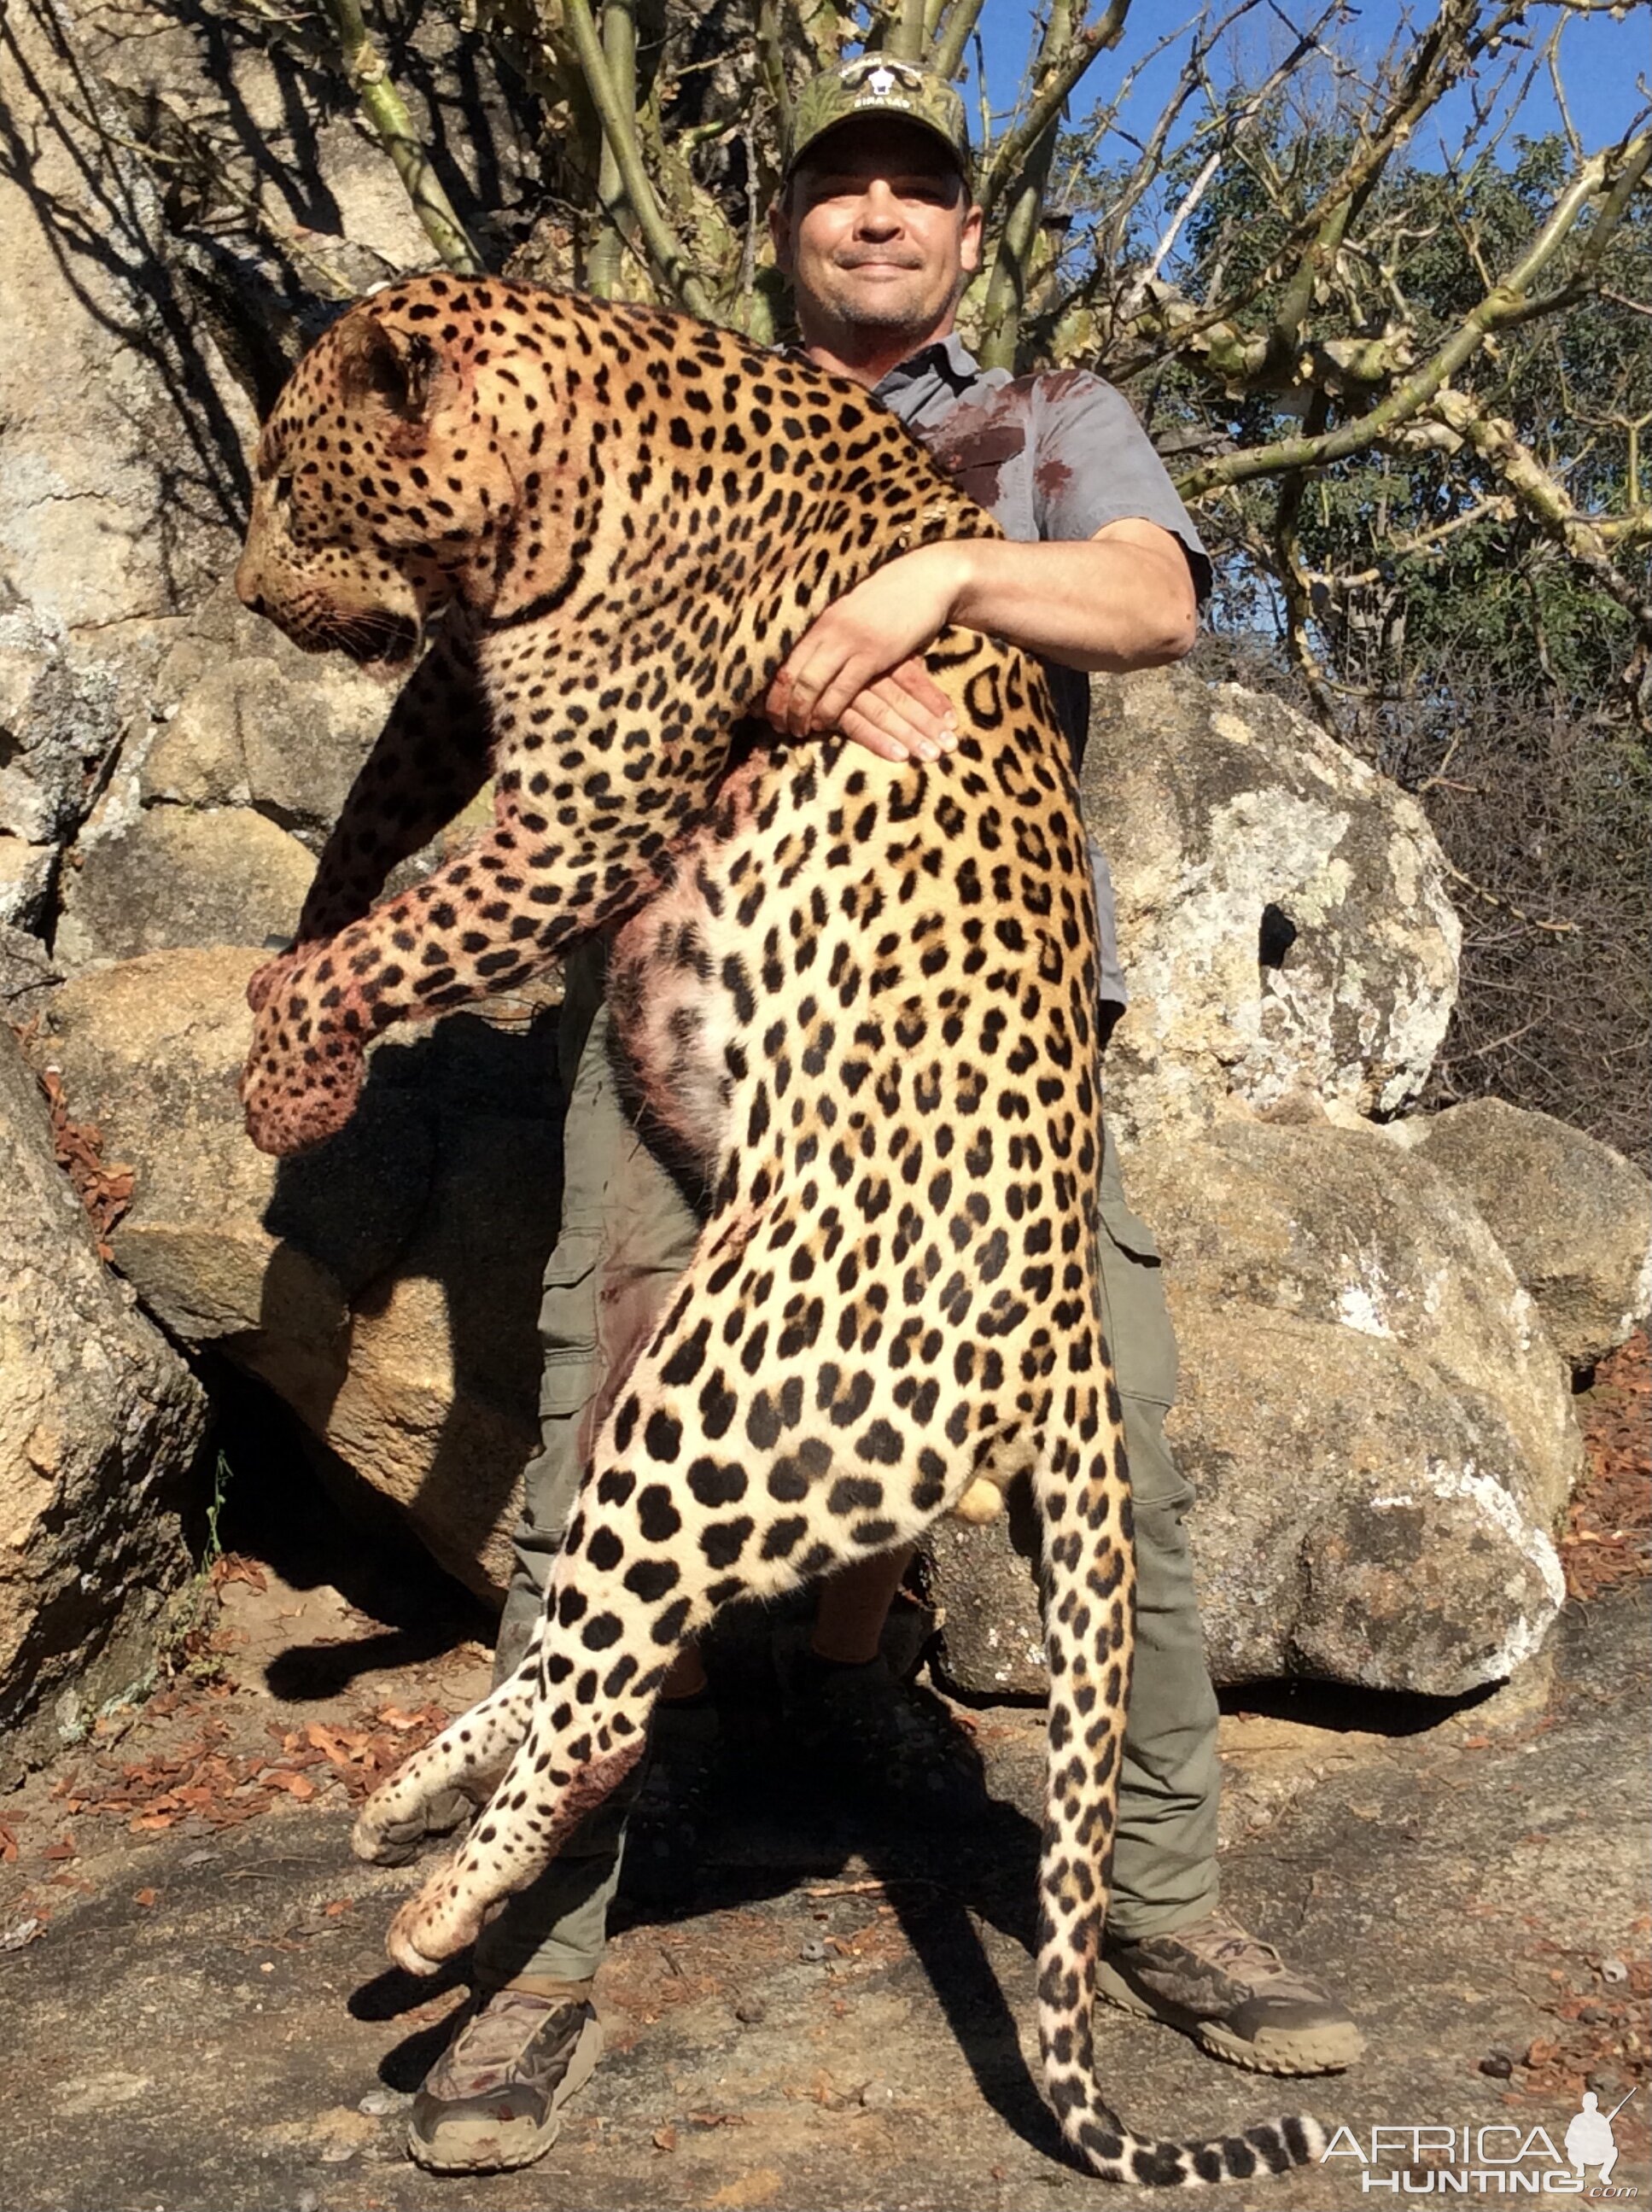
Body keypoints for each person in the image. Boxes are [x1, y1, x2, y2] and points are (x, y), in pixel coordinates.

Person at [404, 55, 1363, 2175]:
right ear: (778, 228)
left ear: (958, 233)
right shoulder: (662, 415)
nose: (870, 216)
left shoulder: (1046, 421)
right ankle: (533, 1970)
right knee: (592, 1459)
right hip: (694, 1012)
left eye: (909, 188)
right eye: (833, 186)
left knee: (1099, 1465)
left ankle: (1170, 1913)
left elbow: (1150, 598)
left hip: (977, 1060)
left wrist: (929, 580)